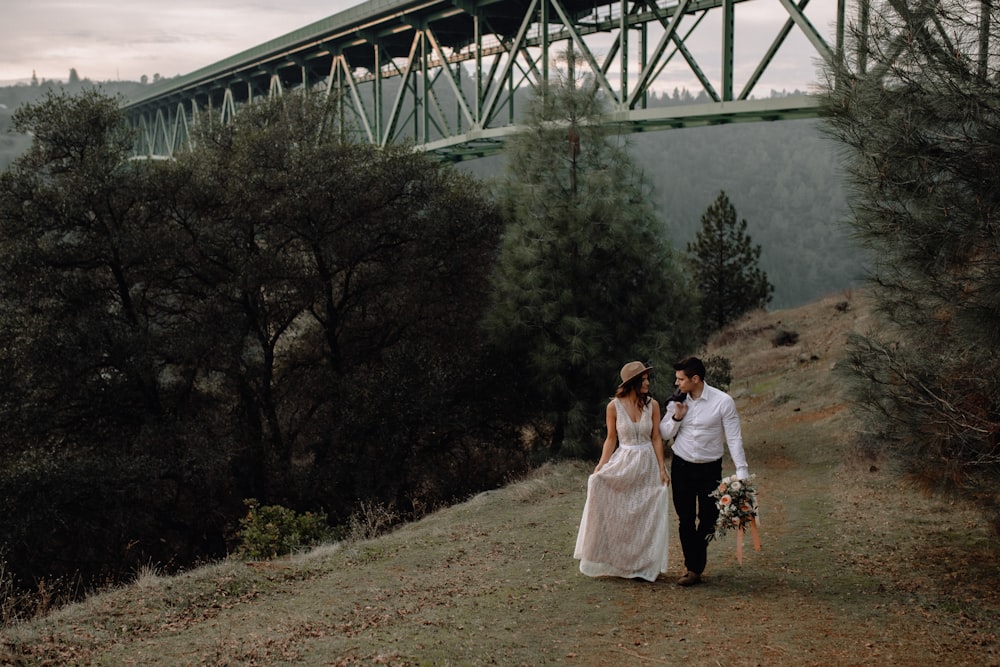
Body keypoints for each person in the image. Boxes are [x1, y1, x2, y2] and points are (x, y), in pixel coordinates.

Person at [574, 361, 671, 581]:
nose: (647, 382)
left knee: (644, 513)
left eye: (647, 378)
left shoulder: (652, 405)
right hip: (625, 460)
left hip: (647, 462)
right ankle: (621, 562)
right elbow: (611, 439)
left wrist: (662, 468)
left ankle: (643, 564)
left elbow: (656, 437)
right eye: (643, 379)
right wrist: (600, 466)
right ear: (633, 383)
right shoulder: (613, 407)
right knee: (618, 508)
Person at [659, 356, 749, 586]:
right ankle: (693, 568)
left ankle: (696, 555)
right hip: (682, 465)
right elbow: (664, 433)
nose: (676, 383)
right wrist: (678, 417)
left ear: (695, 379)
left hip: (710, 468)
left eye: (680, 379)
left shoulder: (723, 401)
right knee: (685, 519)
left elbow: (734, 437)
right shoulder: (676, 401)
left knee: (710, 518)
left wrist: (742, 470)